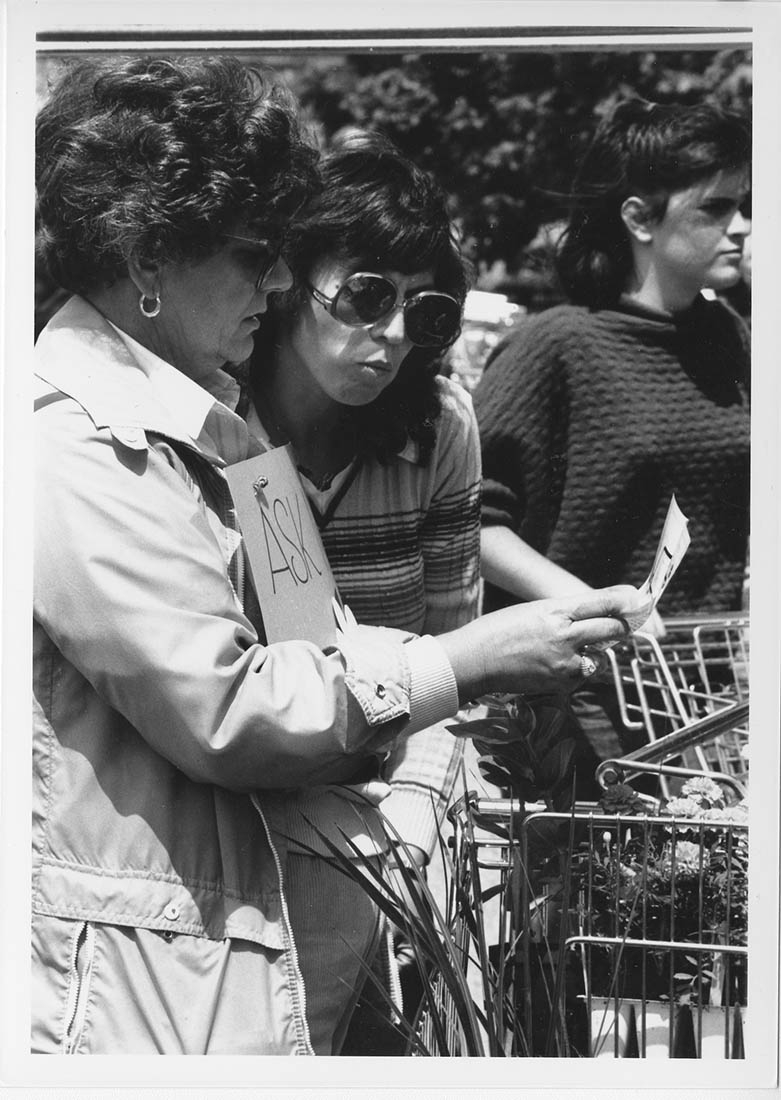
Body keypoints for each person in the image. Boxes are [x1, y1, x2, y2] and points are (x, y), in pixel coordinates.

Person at [33, 54, 639, 1056]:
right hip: (154, 997)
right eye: (248, 251)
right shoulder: (72, 439)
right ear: (146, 256)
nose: (272, 278)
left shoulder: (221, 422)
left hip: (271, 948)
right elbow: (225, 707)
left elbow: (323, 639)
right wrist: (464, 662)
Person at [239, 132, 477, 1053]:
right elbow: (300, 659)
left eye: (426, 312)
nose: (389, 337)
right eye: (367, 294)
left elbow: (453, 649)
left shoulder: (439, 426)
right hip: (261, 800)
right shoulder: (230, 429)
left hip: (395, 790)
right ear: (292, 279)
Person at [473, 98, 751, 777]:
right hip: (573, 710)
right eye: (713, 209)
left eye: (744, 205)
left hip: (700, 701)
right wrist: (595, 611)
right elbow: (472, 524)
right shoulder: (553, 346)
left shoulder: (730, 338)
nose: (742, 228)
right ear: (637, 218)